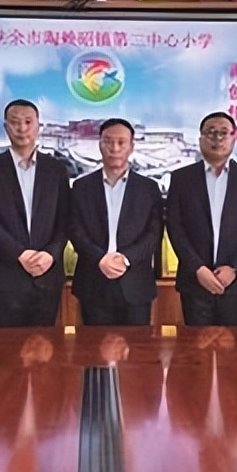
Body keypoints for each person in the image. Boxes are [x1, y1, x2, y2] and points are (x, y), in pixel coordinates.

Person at [0, 99, 70, 327]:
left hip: (46, 276)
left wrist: (50, 254)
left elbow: (66, 219)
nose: (22, 128)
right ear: (6, 128)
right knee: (6, 346)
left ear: (39, 126)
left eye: (28, 122)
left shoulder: (56, 169)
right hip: (5, 277)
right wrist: (20, 254)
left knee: (46, 345)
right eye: (15, 122)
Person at [166, 111, 237, 326]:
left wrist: (235, 268)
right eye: (210, 133)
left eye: (223, 133)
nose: (217, 139)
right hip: (195, 282)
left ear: (234, 137)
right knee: (196, 345)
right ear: (200, 138)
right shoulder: (182, 178)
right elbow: (175, 227)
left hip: (236, 284)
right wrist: (198, 268)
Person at [69, 118, 163, 326]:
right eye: (108, 142)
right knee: (93, 346)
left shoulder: (148, 188)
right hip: (93, 282)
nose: (115, 148)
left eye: (121, 142)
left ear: (132, 146)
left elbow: (154, 234)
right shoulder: (82, 187)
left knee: (137, 346)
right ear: (99, 145)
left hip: (135, 285)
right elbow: (75, 230)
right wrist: (100, 258)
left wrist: (125, 259)